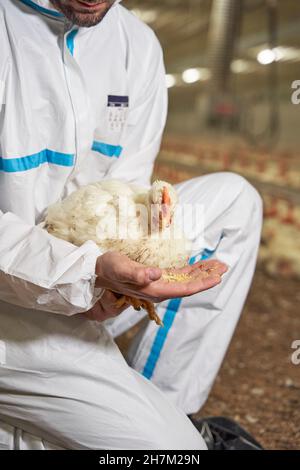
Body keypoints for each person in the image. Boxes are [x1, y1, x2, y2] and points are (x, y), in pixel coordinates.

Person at [0, 0, 262, 450]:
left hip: (86, 275)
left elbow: (128, 184)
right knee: (178, 455)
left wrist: (131, 263)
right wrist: (88, 273)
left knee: (236, 201)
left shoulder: (135, 46)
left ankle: (168, 403)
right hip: (11, 309)